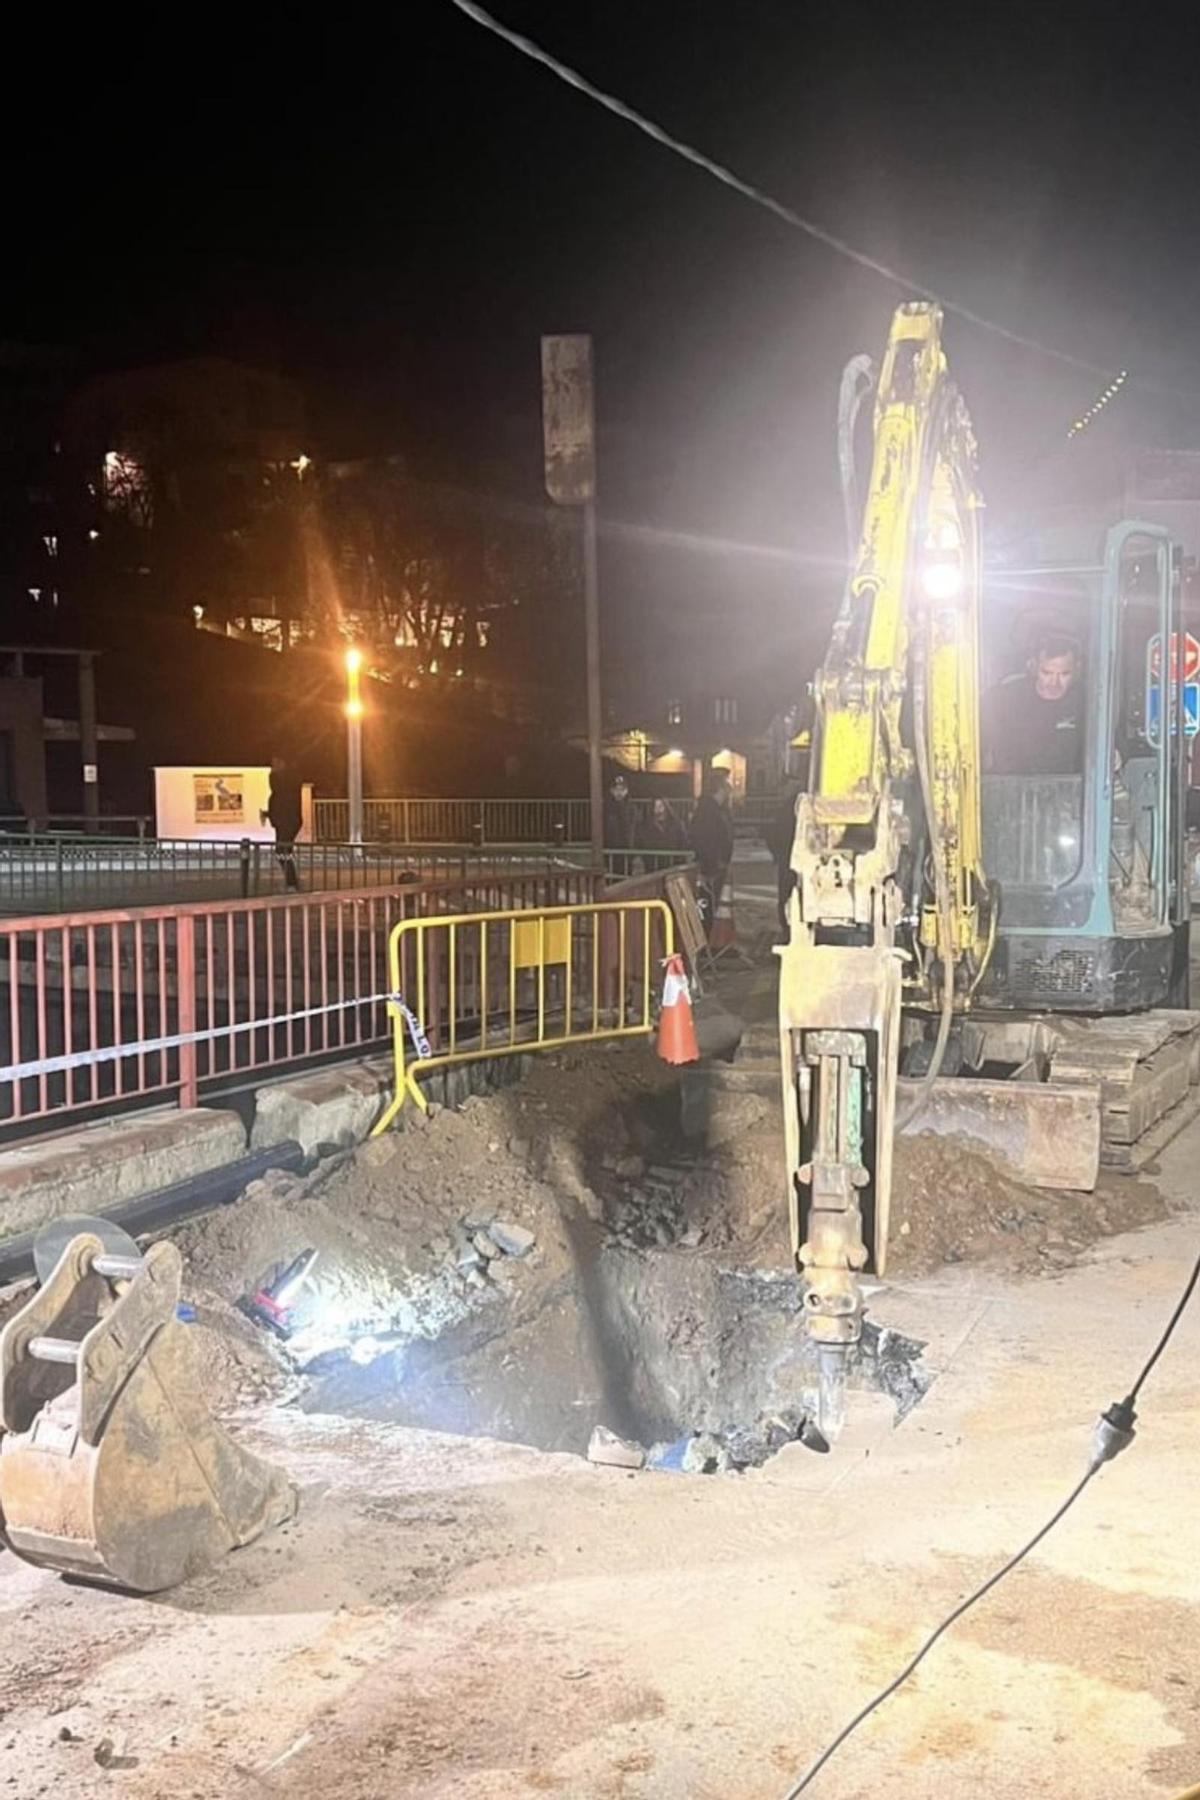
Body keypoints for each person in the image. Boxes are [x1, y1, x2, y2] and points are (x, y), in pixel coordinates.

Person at [984, 633, 1083, 776]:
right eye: (1047, 673)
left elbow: (1116, 741)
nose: (1054, 683)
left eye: (1064, 674)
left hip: (1068, 794)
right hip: (1010, 792)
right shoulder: (1004, 698)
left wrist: (1118, 754)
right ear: (1033, 666)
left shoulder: (1087, 702)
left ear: (1077, 669)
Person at [688, 773, 734, 936]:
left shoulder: (716, 810)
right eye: (727, 790)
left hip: (714, 866)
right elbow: (706, 840)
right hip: (710, 868)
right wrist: (710, 866)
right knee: (706, 905)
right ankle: (703, 936)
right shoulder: (709, 811)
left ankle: (706, 935)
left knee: (710, 905)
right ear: (720, 790)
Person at [265, 753, 304, 891]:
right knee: (283, 852)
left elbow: (277, 791)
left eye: (275, 764)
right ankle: (291, 882)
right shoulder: (287, 781)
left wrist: (274, 775)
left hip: (287, 822)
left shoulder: (285, 781)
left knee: (282, 851)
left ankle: (292, 882)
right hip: (284, 821)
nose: (272, 767)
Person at [767, 781, 801, 941]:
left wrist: (778, 854)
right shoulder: (799, 808)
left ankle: (787, 930)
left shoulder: (784, 810)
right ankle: (792, 929)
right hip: (794, 858)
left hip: (786, 859)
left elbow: (772, 834)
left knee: (786, 896)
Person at [603, 774, 633, 876]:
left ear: (626, 791)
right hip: (610, 849)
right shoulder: (606, 808)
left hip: (627, 850)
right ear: (611, 791)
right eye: (616, 789)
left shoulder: (632, 808)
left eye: (622, 789)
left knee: (625, 878)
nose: (619, 792)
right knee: (611, 878)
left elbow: (633, 828)